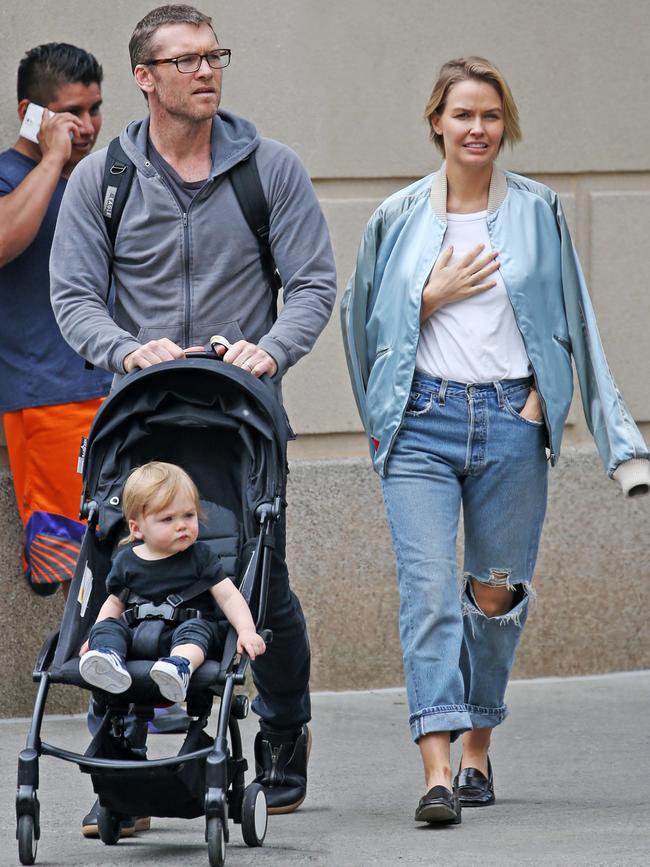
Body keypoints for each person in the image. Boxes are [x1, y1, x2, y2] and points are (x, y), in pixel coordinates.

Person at [341, 56, 650, 826]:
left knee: (493, 595)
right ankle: (437, 770)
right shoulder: (398, 217)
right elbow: (364, 328)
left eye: (489, 115)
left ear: (504, 124)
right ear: (436, 123)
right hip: (422, 423)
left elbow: (576, 317)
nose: (476, 128)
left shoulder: (540, 210)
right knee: (429, 595)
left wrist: (550, 406)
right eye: (462, 114)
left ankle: (477, 743)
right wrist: (424, 299)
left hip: (513, 421)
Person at [50, 4, 336, 820]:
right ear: (145, 77)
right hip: (140, 422)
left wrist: (270, 348)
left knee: (259, 585)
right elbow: (73, 298)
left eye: (214, 56)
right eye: (186, 60)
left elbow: (312, 284)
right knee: (120, 581)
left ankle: (282, 729)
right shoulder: (99, 180)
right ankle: (124, 771)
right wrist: (125, 348)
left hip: (240, 420)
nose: (206, 70)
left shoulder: (267, 167)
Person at [0, 43, 112, 597]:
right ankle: (98, 680)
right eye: (74, 112)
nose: (89, 126)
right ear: (33, 113)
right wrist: (49, 159)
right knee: (77, 568)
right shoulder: (9, 177)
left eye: (95, 109)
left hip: (115, 388)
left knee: (131, 553)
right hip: (49, 400)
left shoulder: (92, 180)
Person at [79, 461, 266, 701]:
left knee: (197, 630)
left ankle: (179, 667)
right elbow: (114, 604)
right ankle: (108, 657)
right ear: (137, 529)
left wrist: (247, 630)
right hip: (135, 633)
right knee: (108, 627)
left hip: (182, 633)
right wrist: (96, 636)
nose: (182, 526)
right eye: (167, 519)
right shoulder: (126, 561)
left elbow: (229, 596)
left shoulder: (201, 557)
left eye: (189, 515)